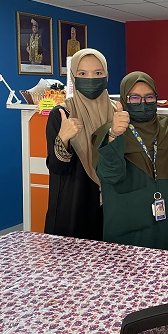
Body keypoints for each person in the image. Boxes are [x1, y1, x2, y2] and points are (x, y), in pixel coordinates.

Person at [95, 71, 168, 252]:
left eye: (149, 97)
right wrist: (114, 136)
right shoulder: (110, 131)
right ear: (124, 99)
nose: (143, 103)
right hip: (128, 226)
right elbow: (110, 175)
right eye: (134, 98)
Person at [44, 48, 115, 240]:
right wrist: (63, 138)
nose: (91, 79)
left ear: (106, 75)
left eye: (98, 73)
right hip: (73, 206)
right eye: (82, 74)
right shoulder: (62, 113)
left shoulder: (117, 113)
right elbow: (57, 168)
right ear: (74, 77)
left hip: (110, 205)